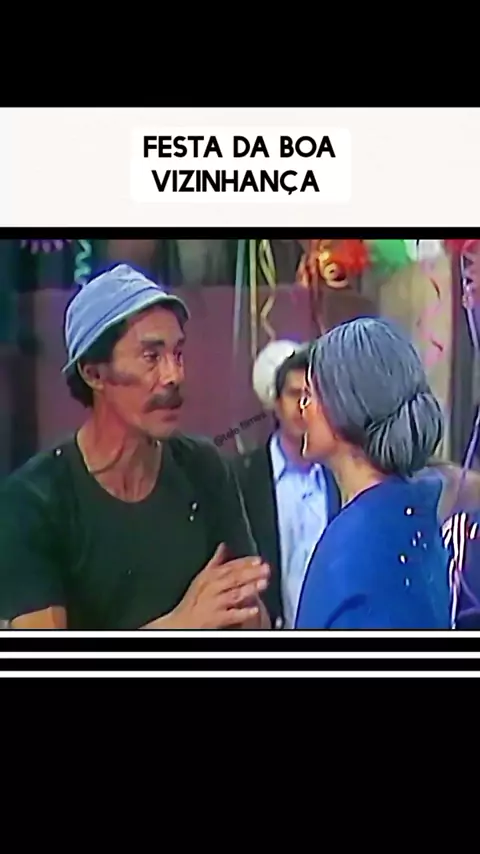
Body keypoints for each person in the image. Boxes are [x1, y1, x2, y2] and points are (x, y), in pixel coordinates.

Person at [0, 264, 271, 630]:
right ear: (94, 373)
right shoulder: (35, 500)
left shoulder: (204, 468)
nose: (174, 375)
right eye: (151, 357)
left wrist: (243, 612)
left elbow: (252, 618)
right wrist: (180, 626)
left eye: (178, 354)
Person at [295, 317, 451, 630]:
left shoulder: (356, 552)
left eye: (310, 394)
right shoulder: (411, 515)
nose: (302, 406)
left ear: (343, 405)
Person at [233, 343, 340, 629]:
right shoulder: (243, 478)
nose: (302, 406)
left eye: (311, 396)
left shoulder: (338, 477)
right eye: (294, 394)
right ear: (277, 403)